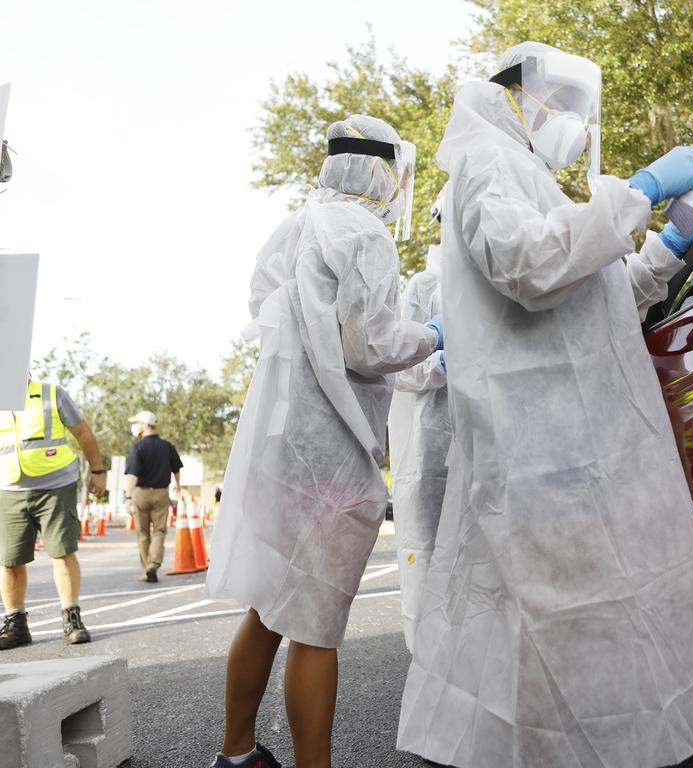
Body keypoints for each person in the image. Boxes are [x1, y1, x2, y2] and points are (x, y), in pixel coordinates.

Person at [397, 42, 693, 768]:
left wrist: (671, 248)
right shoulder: (489, 165)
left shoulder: (528, 179)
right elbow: (533, 267)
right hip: (539, 460)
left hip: (566, 457)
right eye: (558, 107)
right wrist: (642, 190)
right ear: (513, 99)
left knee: (568, 638)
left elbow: (599, 296)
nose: (569, 125)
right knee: (553, 638)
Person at [206, 115, 442, 768]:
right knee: (317, 627)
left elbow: (269, 310)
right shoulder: (363, 231)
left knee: (269, 611)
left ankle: (236, 753)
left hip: (282, 454)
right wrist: (434, 335)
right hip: (331, 461)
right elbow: (369, 344)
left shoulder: (295, 226)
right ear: (377, 169)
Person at [388, 185, 452, 652]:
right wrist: (442, 362)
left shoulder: (505, 277)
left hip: (490, 448)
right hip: (431, 453)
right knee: (428, 559)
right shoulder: (423, 288)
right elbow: (398, 366)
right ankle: (431, 665)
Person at [0, 379, 105, 649]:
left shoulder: (50, 394)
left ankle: (72, 618)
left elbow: (82, 431)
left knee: (62, 552)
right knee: (9, 561)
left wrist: (97, 471)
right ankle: (16, 624)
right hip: (8, 489)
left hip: (55, 486)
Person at [124, 410, 182, 583]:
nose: (135, 426)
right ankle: (154, 564)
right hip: (161, 493)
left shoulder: (137, 447)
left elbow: (132, 475)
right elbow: (176, 469)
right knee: (159, 531)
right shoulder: (167, 446)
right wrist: (178, 485)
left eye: (137, 423)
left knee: (142, 533)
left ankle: (146, 567)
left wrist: (128, 497)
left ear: (145, 424)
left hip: (141, 493)